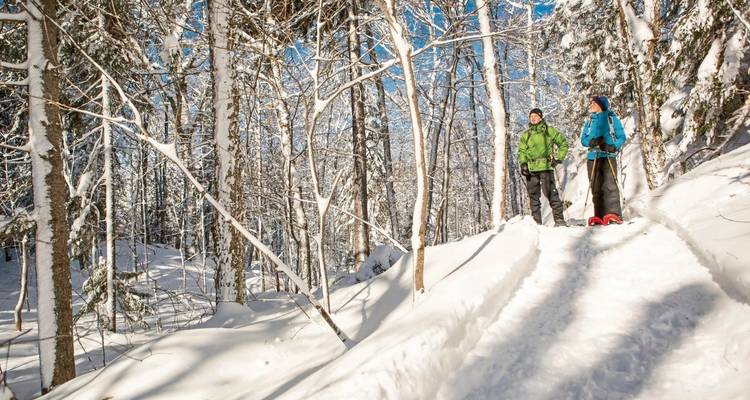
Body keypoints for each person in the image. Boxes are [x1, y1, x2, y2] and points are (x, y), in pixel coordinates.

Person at [580, 96, 627, 226]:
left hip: (607, 156)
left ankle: (614, 214)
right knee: (595, 186)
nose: (591, 104)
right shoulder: (590, 121)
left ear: (601, 105)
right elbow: (583, 139)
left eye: (594, 103)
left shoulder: (611, 119)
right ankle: (599, 216)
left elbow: (622, 136)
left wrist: (613, 146)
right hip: (593, 157)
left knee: (610, 186)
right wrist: (591, 142)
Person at [518, 108, 569, 226]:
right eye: (531, 116)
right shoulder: (526, 134)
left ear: (541, 117)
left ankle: (559, 220)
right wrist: (523, 164)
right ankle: (536, 224)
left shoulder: (548, 131)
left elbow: (563, 143)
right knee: (533, 197)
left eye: (535, 116)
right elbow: (521, 151)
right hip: (531, 169)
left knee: (551, 194)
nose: (533, 118)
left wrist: (558, 159)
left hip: (546, 167)